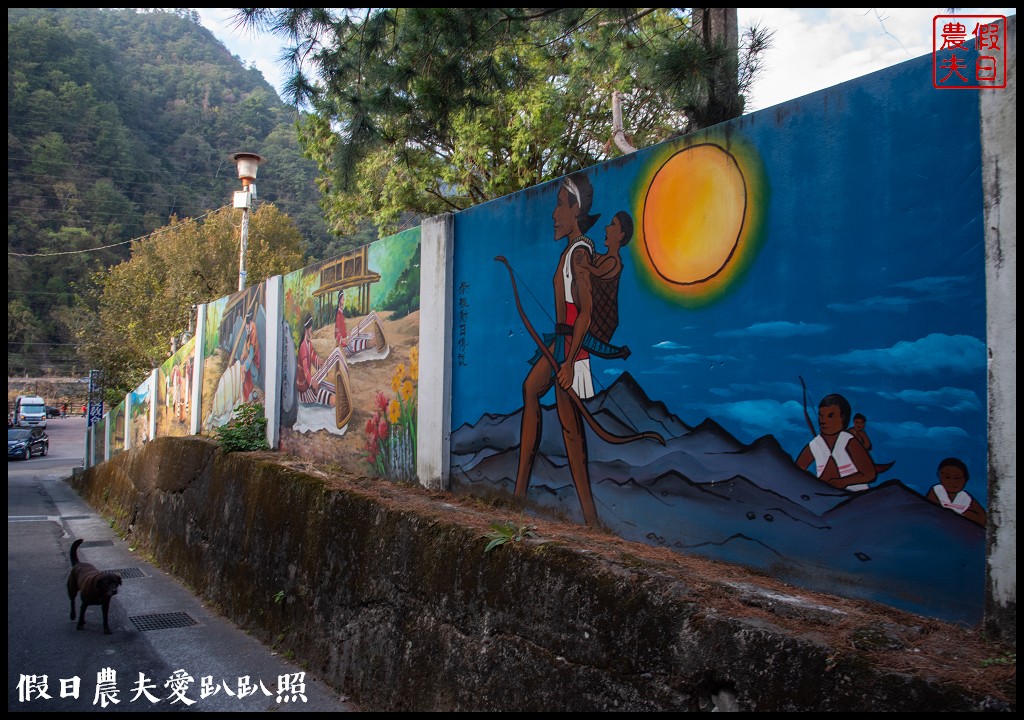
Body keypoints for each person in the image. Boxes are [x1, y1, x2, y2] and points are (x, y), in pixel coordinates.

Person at [514, 173, 605, 525]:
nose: (553, 214)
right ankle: (520, 494)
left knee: (570, 430)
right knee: (531, 391)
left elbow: (586, 312)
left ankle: (590, 517)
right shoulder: (572, 251)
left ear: (575, 210)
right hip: (560, 343)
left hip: (569, 348)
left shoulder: (579, 254)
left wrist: (567, 361)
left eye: (559, 206)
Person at [795, 393, 878, 491]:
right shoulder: (815, 444)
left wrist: (844, 482)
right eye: (821, 416)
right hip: (825, 499)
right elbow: (795, 472)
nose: (823, 421)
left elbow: (870, 474)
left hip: (856, 497)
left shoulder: (848, 440)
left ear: (842, 418)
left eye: (830, 416)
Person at [295, 315, 345, 407]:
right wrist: (312, 382)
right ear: (307, 328)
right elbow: (305, 370)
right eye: (311, 328)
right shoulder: (303, 347)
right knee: (332, 400)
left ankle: (341, 393)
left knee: (331, 387)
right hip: (305, 392)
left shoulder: (308, 343)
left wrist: (318, 361)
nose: (312, 330)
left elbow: (313, 355)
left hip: (308, 385)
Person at [925, 457, 987, 527]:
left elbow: (982, 519)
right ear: (939, 476)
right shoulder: (937, 491)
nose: (952, 482)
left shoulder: (966, 498)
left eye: (957, 478)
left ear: (965, 479)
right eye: (947, 477)